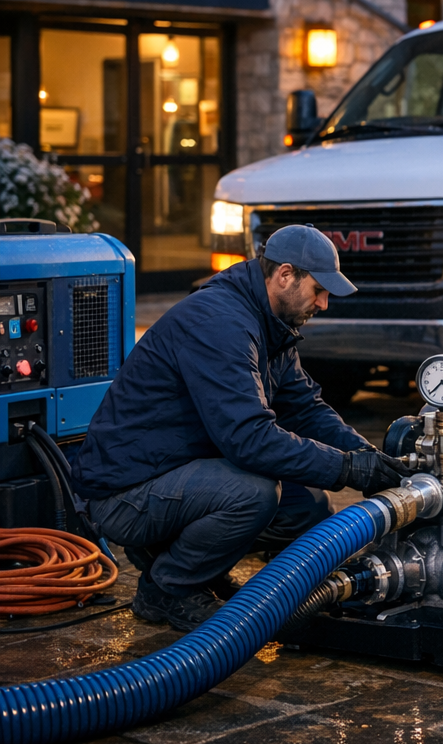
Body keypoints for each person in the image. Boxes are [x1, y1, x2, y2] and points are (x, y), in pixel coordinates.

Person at [71, 224, 406, 630]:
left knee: (308, 508)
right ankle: (168, 587)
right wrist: (347, 469)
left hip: (177, 472)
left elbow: (305, 408)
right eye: (319, 289)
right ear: (285, 275)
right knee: (254, 493)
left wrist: (370, 460)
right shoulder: (220, 322)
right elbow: (249, 441)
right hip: (125, 494)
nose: (324, 303)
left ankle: (190, 565)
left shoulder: (270, 322)